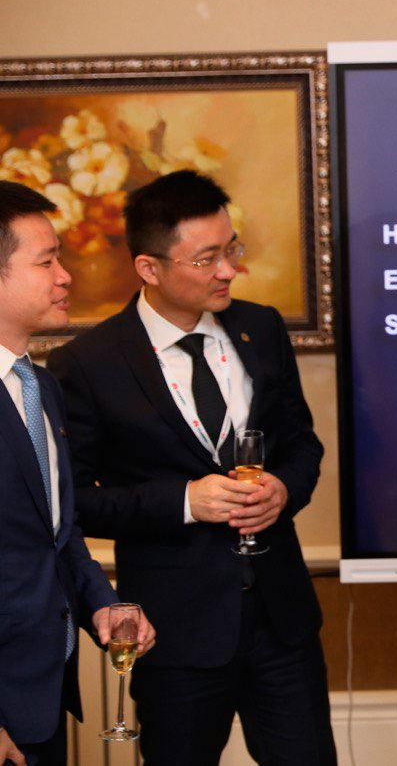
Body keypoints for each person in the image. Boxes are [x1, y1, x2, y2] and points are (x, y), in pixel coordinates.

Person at [46, 171, 336, 766]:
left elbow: (303, 445)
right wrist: (184, 501)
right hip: (176, 630)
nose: (229, 270)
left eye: (232, 249)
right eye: (207, 259)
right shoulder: (90, 362)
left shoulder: (261, 329)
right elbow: (75, 500)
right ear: (149, 268)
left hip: (282, 620)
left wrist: (284, 488)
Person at [0, 182, 155, 766]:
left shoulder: (41, 386)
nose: (65, 277)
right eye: (46, 262)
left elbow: (57, 534)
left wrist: (101, 606)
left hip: (44, 692)